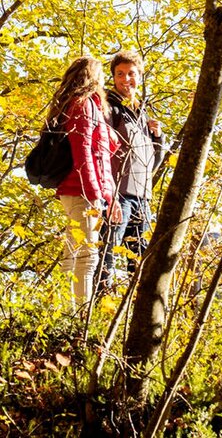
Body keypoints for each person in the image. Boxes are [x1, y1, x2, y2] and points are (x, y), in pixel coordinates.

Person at [49, 56, 122, 306]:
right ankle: (79, 314)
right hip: (81, 191)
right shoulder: (83, 105)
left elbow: (99, 155)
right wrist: (95, 194)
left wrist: (109, 196)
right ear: (92, 77)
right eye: (101, 75)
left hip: (79, 189)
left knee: (74, 253)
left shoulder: (87, 106)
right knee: (86, 257)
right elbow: (83, 154)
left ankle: (66, 311)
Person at [100, 51, 165, 290]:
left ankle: (134, 305)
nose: (125, 79)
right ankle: (100, 300)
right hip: (118, 195)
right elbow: (101, 151)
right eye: (120, 74)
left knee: (139, 259)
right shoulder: (109, 108)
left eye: (131, 73)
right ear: (113, 77)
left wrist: (158, 138)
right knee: (108, 250)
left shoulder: (142, 112)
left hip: (142, 197)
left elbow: (152, 163)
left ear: (140, 76)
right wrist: (110, 195)